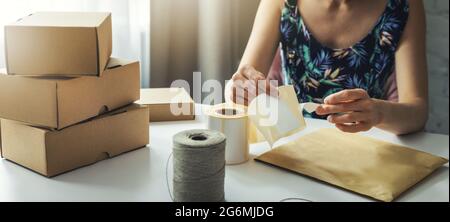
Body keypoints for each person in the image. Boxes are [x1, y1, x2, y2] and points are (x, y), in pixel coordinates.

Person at [227, 0, 428, 135]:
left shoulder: (403, 6)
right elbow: (242, 83)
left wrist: (379, 113)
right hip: (291, 143)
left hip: (369, 147)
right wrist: (236, 90)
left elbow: (418, 111)